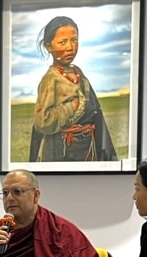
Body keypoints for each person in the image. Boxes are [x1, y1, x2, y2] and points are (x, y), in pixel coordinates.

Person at [29, 16, 117, 162]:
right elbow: (42, 122)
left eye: (74, 40)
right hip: (62, 151)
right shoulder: (51, 79)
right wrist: (71, 107)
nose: (70, 47)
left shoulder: (77, 72)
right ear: (48, 46)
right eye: (62, 42)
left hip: (87, 148)